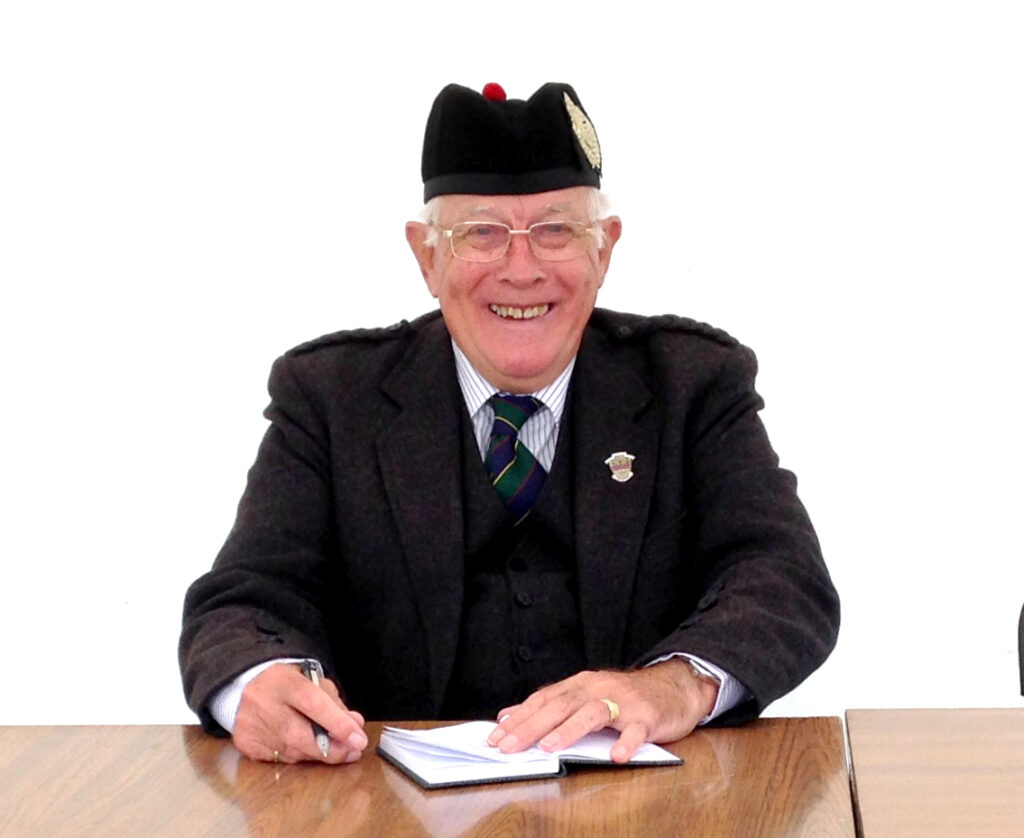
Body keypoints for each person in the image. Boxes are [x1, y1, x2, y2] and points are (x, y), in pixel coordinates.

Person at [179, 81, 840, 766]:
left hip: (647, 796)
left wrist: (674, 685)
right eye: (481, 234)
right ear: (427, 256)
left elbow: (784, 578)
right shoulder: (330, 397)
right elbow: (242, 605)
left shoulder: (692, 384)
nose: (521, 271)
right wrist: (259, 684)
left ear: (604, 251)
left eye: (556, 231)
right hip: (386, 803)